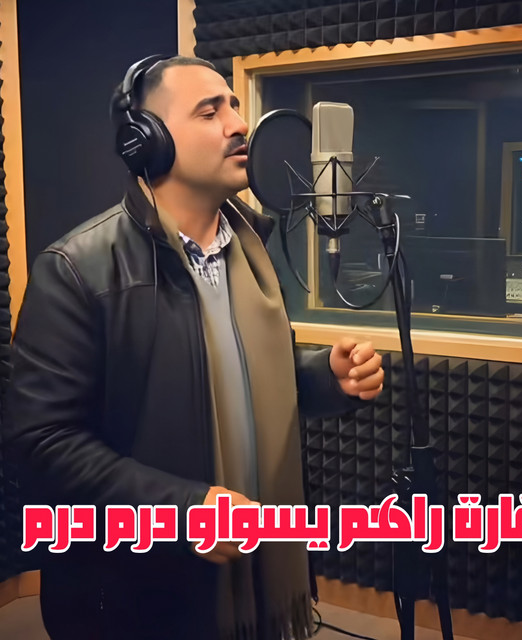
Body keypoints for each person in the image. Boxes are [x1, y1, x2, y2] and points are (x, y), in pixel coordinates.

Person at [5, 55, 384, 640]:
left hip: (259, 577)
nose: (239, 123)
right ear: (146, 140)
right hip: (133, 598)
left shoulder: (251, 253)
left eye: (234, 105)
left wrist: (323, 378)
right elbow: (42, 444)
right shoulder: (77, 269)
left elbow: (237, 378)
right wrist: (181, 509)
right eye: (210, 111)